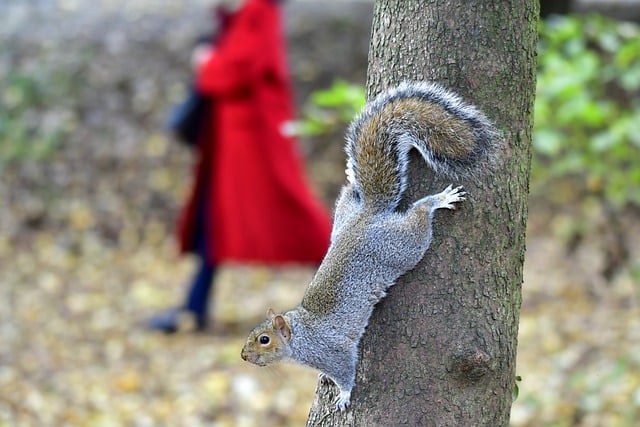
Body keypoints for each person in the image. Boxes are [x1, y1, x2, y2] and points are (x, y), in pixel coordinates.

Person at [148, 0, 332, 333]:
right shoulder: (246, 12)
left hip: (254, 143)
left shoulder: (259, 10)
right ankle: (193, 306)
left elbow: (236, 69)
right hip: (234, 144)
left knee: (292, 212)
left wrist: (205, 64)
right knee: (213, 221)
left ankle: (342, 282)